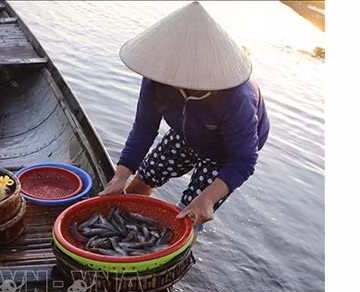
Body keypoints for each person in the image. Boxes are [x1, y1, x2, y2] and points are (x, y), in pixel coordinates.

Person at [99, 1, 270, 230]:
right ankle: (130, 230)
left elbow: (243, 160)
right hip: (187, 131)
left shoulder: (237, 97)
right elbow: (144, 127)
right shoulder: (158, 76)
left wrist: (207, 198)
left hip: (227, 151)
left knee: (188, 216)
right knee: (142, 179)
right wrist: (120, 176)